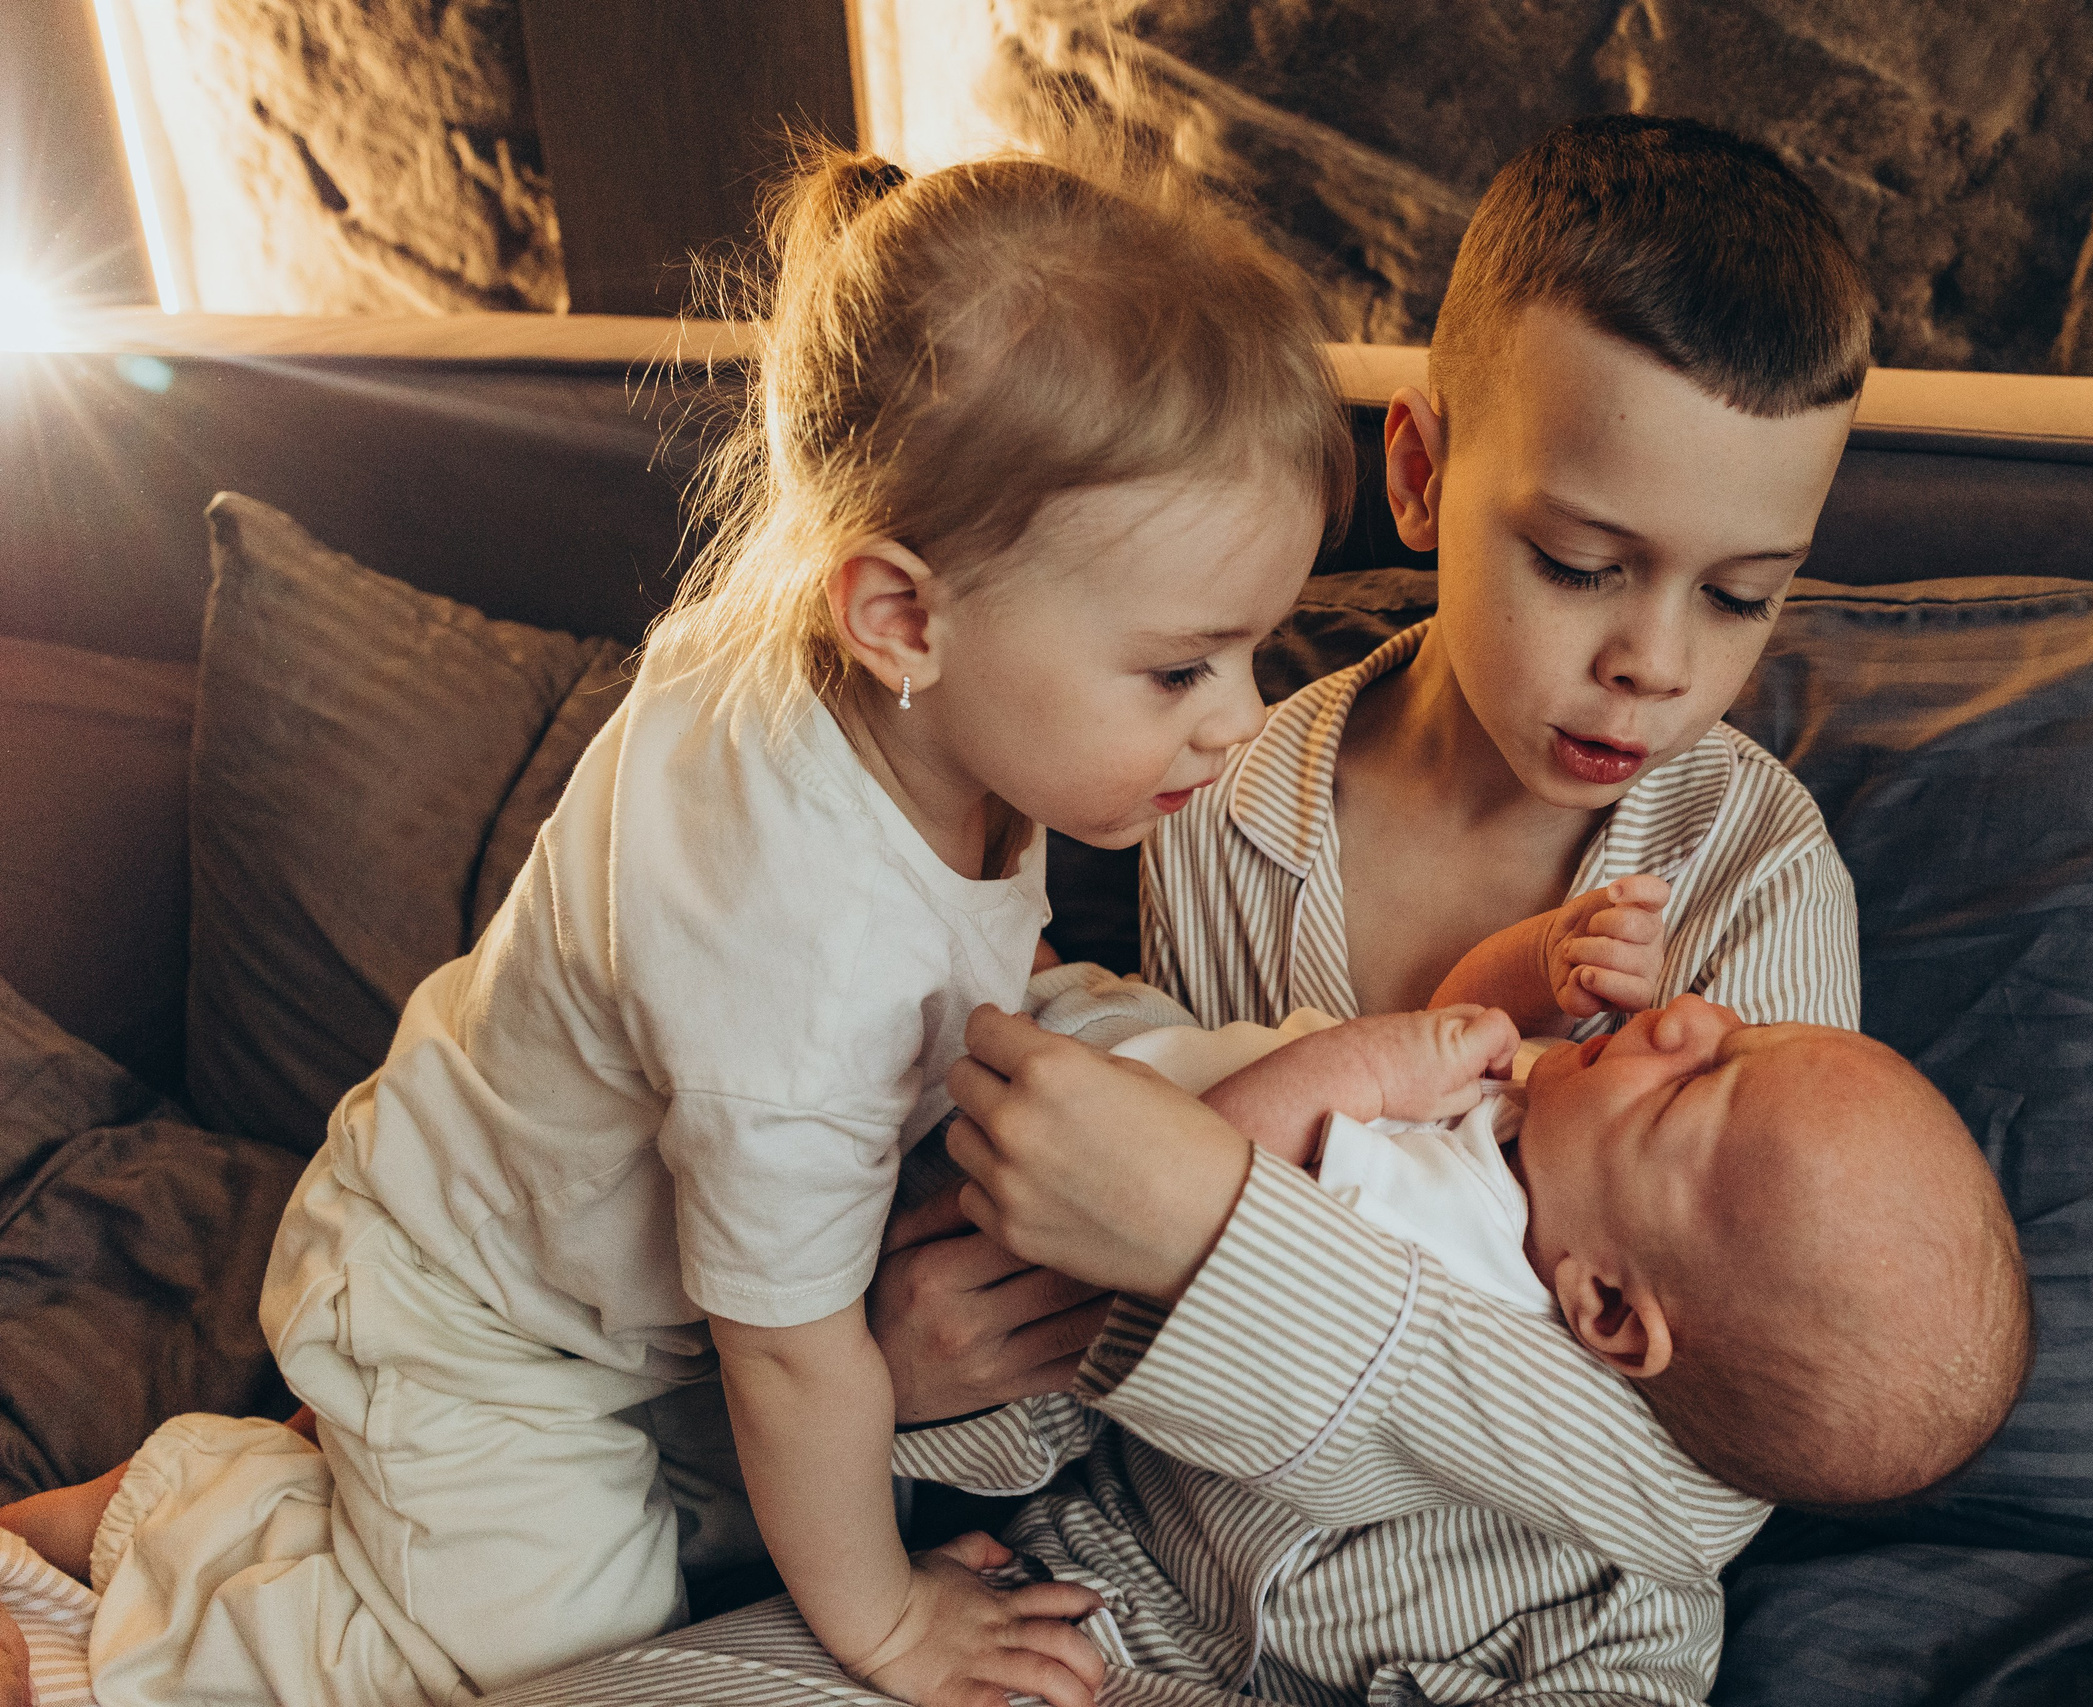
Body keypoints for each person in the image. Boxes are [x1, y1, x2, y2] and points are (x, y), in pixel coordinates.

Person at [0, 140, 1353, 1707]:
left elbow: (964, 964)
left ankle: (210, 1493)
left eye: (1251, 652)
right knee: (557, 1660)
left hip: (574, 1273)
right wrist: (890, 1623)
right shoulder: (794, 955)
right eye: (1182, 667)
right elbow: (790, 1356)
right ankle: (144, 1596)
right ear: (902, 614)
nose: (1238, 718)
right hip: (483, 1321)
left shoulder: (880, 680)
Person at [877, 114, 1899, 1620]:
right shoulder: (1218, 792)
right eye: (1579, 565)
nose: (1656, 663)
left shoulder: (1756, 876)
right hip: (1138, 1587)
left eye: (1743, 596)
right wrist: (917, 1388)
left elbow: (1705, 1481)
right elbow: (1106, 1239)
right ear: (1418, 473)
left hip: (1538, 1647)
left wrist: (1224, 1229)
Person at [1077, 972, 2032, 1509]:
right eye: (1750, 1028)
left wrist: (1363, 1064)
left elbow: (1182, 1189)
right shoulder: (1561, 1155)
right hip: (1126, 1033)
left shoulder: (1437, 1238)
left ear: (1607, 1306)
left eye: (1687, 1088)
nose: (1692, 1013)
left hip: (1072, 1114)